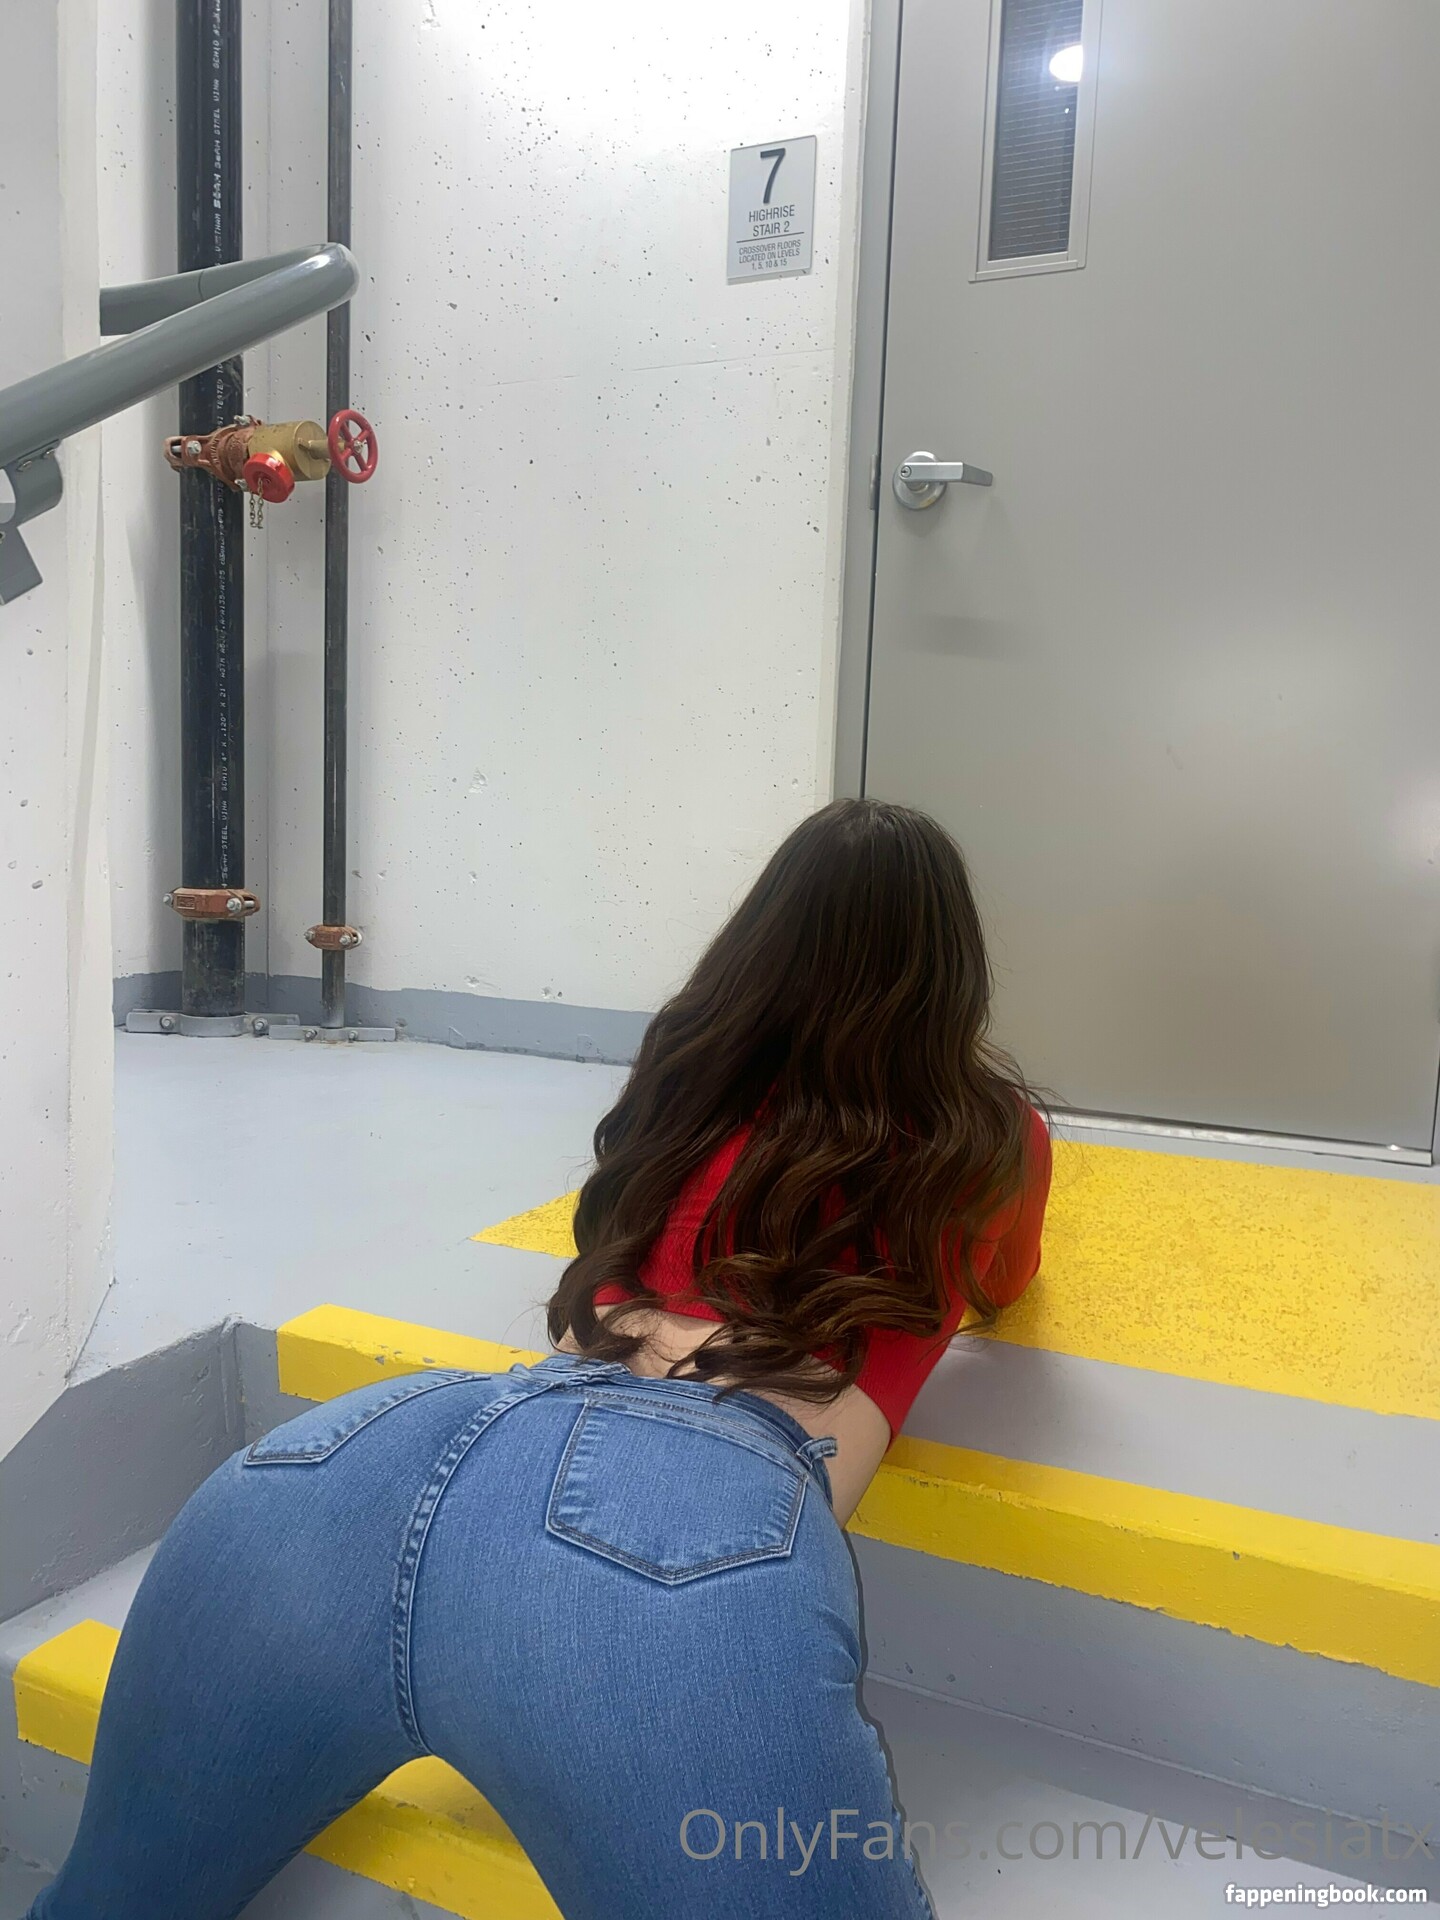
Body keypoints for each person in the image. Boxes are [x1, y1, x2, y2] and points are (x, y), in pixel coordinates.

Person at [28, 798, 1052, 1920]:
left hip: (357, 1469)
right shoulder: (990, 1131)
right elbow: (1008, 1284)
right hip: (676, 1542)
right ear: (951, 969)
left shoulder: (686, 1076)